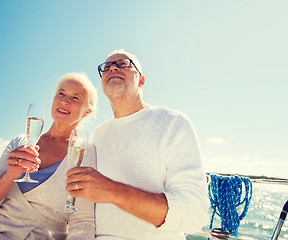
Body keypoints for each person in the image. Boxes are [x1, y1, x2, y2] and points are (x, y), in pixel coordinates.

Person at [66, 49, 210, 239]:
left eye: (123, 63)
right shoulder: (99, 134)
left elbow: (194, 215)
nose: (113, 68)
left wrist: (112, 191)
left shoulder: (173, 123)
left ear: (141, 80)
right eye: (106, 67)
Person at [0, 72, 98, 240]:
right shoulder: (20, 142)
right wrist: (9, 176)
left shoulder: (84, 153)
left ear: (87, 112)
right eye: (61, 93)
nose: (65, 101)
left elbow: (82, 220)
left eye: (76, 98)